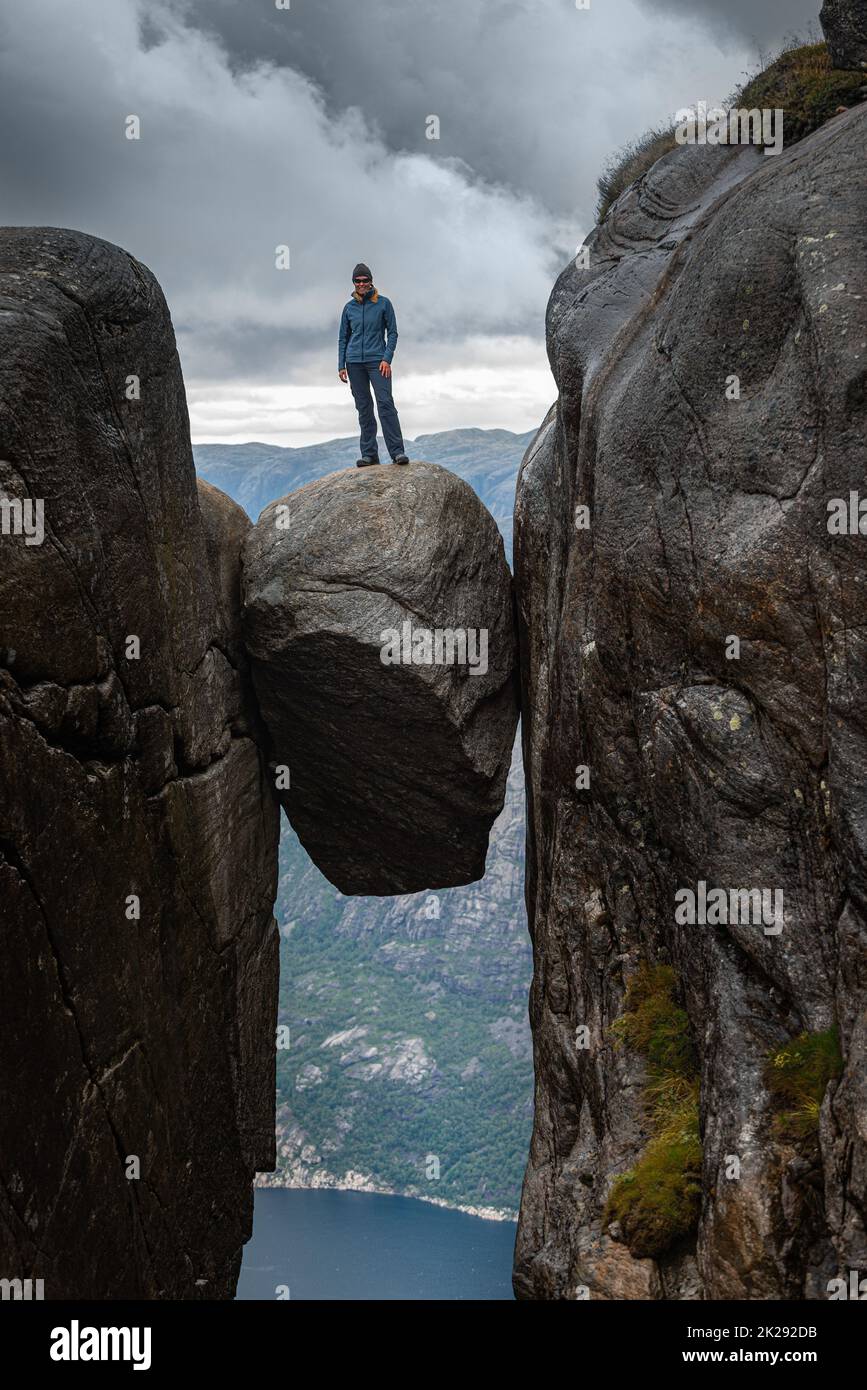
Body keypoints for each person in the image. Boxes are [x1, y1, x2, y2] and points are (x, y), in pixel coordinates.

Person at [338, 263, 409, 467]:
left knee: (385, 404)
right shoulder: (348, 308)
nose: (361, 284)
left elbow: (393, 333)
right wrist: (341, 365)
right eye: (357, 281)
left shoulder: (384, 304)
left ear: (371, 281)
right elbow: (343, 337)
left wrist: (387, 358)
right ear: (354, 283)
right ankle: (369, 455)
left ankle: (397, 453)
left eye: (365, 280)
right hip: (354, 364)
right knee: (364, 408)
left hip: (378, 362)